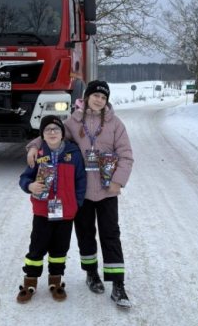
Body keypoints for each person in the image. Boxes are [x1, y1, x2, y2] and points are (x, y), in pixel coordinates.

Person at [27, 80, 134, 309]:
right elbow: (51, 132)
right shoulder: (74, 122)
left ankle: (118, 283)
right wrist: (34, 146)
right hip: (83, 192)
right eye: (95, 95)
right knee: (85, 234)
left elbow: (126, 155)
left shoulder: (115, 124)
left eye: (103, 97)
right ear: (86, 97)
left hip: (107, 191)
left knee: (110, 234)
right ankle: (91, 274)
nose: (99, 100)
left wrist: (118, 181)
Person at [17, 115, 86, 304]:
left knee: (60, 247)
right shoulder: (38, 154)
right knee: (37, 246)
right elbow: (24, 177)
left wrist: (76, 203)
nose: (52, 132)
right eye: (48, 130)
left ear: (63, 133)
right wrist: (30, 186)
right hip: (42, 211)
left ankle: (55, 280)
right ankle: (30, 280)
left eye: (56, 129)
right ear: (42, 135)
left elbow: (81, 180)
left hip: (66, 212)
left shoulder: (73, 153)